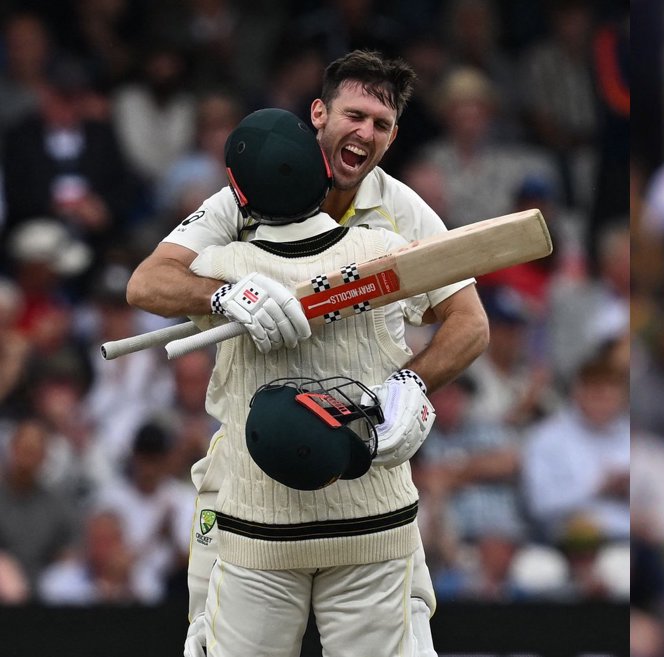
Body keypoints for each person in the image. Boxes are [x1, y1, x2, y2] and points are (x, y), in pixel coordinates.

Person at [124, 51, 486, 655]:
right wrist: (224, 294)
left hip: (360, 484)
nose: (365, 133)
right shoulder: (252, 188)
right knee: (203, 638)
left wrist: (412, 386)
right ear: (319, 113)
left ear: (393, 137)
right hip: (247, 481)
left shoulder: (400, 211)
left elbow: (469, 323)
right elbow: (146, 283)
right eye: (355, 114)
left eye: (381, 124)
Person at [189, 107, 438, 655]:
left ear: (241, 200)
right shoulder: (382, 251)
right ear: (325, 174)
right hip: (372, 520)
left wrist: (219, 291)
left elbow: (150, 284)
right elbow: (460, 314)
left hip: (259, 531)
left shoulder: (218, 264)